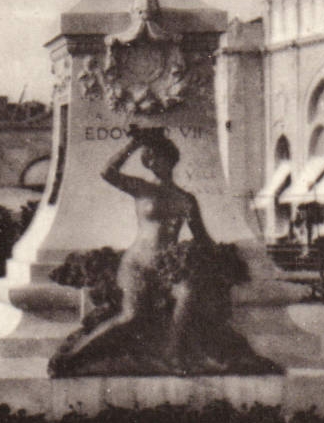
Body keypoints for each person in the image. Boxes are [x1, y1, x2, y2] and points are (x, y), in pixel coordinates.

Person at [49, 127, 273, 377]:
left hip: (167, 268)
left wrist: (217, 258)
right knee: (130, 317)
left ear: (170, 159)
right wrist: (134, 143)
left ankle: (172, 352)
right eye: (149, 157)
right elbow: (107, 172)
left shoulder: (186, 199)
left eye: (157, 156)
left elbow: (201, 237)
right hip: (137, 264)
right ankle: (74, 356)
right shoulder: (141, 188)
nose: (152, 161)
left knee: (187, 293)